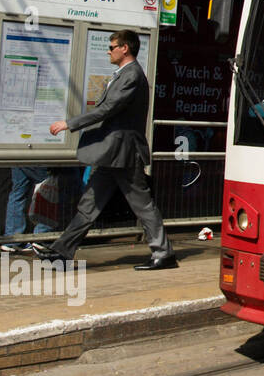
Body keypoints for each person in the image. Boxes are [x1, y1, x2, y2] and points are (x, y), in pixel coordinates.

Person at [37, 29, 177, 270]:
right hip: (111, 153)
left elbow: (108, 109)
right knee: (89, 203)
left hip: (124, 153)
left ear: (125, 48)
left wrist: (69, 124)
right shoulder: (122, 74)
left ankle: (164, 253)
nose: (109, 51)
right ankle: (62, 251)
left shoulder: (132, 75)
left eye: (112, 47)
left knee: (142, 205)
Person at [0, 166, 49, 252]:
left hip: (17, 156)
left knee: (18, 193)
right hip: (37, 157)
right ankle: (41, 237)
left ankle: (12, 240)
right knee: (51, 185)